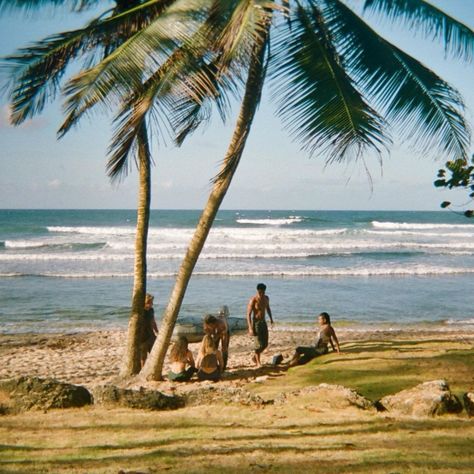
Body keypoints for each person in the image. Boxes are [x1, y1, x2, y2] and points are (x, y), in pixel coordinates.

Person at [247, 283, 274, 367]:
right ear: (257, 291)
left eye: (263, 292)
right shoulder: (253, 299)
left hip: (263, 322)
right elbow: (248, 314)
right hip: (256, 323)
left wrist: (271, 319)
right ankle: (258, 362)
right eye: (260, 292)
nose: (261, 294)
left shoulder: (266, 298)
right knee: (258, 344)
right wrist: (250, 328)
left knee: (265, 344)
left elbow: (268, 308)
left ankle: (255, 357)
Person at [140, 293, 159, 369]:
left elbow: (153, 321)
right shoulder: (141, 311)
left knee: (153, 353)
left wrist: (157, 331)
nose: (152, 304)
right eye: (150, 302)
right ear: (146, 302)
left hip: (151, 334)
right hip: (142, 335)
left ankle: (152, 369)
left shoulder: (151, 310)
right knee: (143, 356)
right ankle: (142, 370)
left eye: (152, 302)